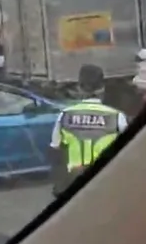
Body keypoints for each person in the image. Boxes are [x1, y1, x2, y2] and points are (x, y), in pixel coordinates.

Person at [48, 64, 128, 197]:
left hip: (75, 181)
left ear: (79, 88)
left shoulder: (65, 115)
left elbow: (55, 152)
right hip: (107, 182)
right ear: (102, 88)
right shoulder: (117, 117)